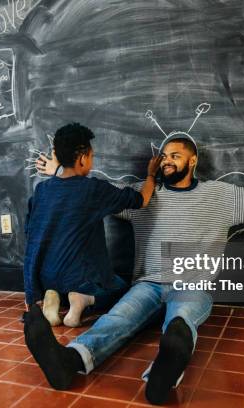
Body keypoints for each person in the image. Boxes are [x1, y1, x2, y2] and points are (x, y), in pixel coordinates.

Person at [24, 133, 244, 404]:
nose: (166, 161)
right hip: (148, 284)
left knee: (182, 320)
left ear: (192, 161)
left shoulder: (222, 196)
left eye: (175, 155)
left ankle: (164, 373)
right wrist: (61, 172)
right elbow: (93, 195)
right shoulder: (145, 195)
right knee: (117, 319)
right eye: (163, 156)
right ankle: (70, 360)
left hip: (192, 286)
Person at [24, 123, 162, 327]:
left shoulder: (42, 190)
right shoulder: (94, 190)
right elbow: (141, 200)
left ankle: (53, 299)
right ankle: (83, 301)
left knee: (61, 279)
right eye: (92, 156)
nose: (92, 160)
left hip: (45, 278)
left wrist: (32, 294)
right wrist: (151, 174)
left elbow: (30, 233)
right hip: (79, 278)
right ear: (82, 159)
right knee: (120, 289)